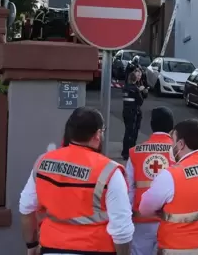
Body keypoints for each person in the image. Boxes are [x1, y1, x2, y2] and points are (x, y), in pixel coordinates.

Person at [18, 107, 134, 255]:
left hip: (51, 247)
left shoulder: (43, 162)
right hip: (95, 248)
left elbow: (26, 207)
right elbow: (122, 230)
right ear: (97, 135)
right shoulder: (109, 171)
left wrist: (31, 244)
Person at [139, 118, 198, 254]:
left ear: (181, 144)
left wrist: (164, 211)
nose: (171, 147)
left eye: (173, 141)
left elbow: (145, 209)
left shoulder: (171, 176)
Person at [126, 106, 176, 255]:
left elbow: (129, 188)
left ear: (151, 125)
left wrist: (127, 217)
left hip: (141, 220)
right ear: (172, 127)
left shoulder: (135, 152)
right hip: (169, 219)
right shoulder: (178, 152)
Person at [122, 69, 147, 160]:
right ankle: (129, 152)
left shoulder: (125, 87)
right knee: (132, 133)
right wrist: (141, 91)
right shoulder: (135, 89)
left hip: (126, 112)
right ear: (135, 79)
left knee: (127, 132)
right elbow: (140, 101)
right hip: (134, 112)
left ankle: (125, 151)